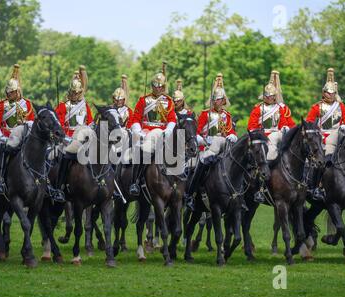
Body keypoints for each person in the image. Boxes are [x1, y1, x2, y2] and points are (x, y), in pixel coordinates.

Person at [184, 73, 237, 210]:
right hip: (207, 148)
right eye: (214, 100)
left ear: (223, 100)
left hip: (224, 148)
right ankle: (190, 195)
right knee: (197, 165)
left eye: (218, 100)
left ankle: (238, 197)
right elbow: (196, 131)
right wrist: (200, 139)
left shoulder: (227, 116)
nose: (215, 102)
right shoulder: (205, 114)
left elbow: (231, 131)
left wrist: (232, 136)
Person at [127, 62, 177, 197]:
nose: (158, 89)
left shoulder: (169, 102)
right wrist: (138, 131)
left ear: (164, 87)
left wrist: (168, 130)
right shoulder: (144, 100)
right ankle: (135, 182)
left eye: (160, 87)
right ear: (152, 86)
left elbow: (172, 119)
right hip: (146, 133)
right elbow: (135, 118)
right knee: (141, 152)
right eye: (155, 86)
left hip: (163, 133)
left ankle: (180, 183)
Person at [247, 70, 296, 202]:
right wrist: (259, 132)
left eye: (271, 96)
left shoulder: (281, 108)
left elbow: (286, 123)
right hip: (264, 137)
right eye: (267, 96)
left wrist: (286, 128)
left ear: (275, 96)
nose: (269, 98)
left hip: (278, 134)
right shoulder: (258, 109)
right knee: (269, 152)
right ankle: (261, 188)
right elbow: (251, 126)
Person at [306, 68, 345, 201]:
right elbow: (309, 122)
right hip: (321, 136)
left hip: (337, 134)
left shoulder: (340, 106)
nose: (331, 95)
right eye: (328, 92)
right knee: (323, 159)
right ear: (323, 93)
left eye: (333, 93)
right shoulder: (317, 107)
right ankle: (318, 187)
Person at [0, 64, 35, 195]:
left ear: (17, 91)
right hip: (7, 137)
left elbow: (32, 120)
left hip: (24, 136)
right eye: (7, 92)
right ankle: (0, 181)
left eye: (11, 92)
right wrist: (1, 137)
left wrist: (26, 122)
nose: (8, 94)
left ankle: (43, 182)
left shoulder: (27, 104)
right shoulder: (1, 105)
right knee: (2, 150)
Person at [52, 66, 94, 203]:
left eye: (77, 93)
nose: (75, 95)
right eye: (73, 93)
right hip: (67, 139)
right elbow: (57, 125)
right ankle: (58, 188)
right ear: (69, 92)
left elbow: (91, 122)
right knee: (64, 156)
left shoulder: (85, 106)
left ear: (80, 92)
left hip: (83, 139)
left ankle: (103, 183)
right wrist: (64, 138)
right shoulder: (63, 106)